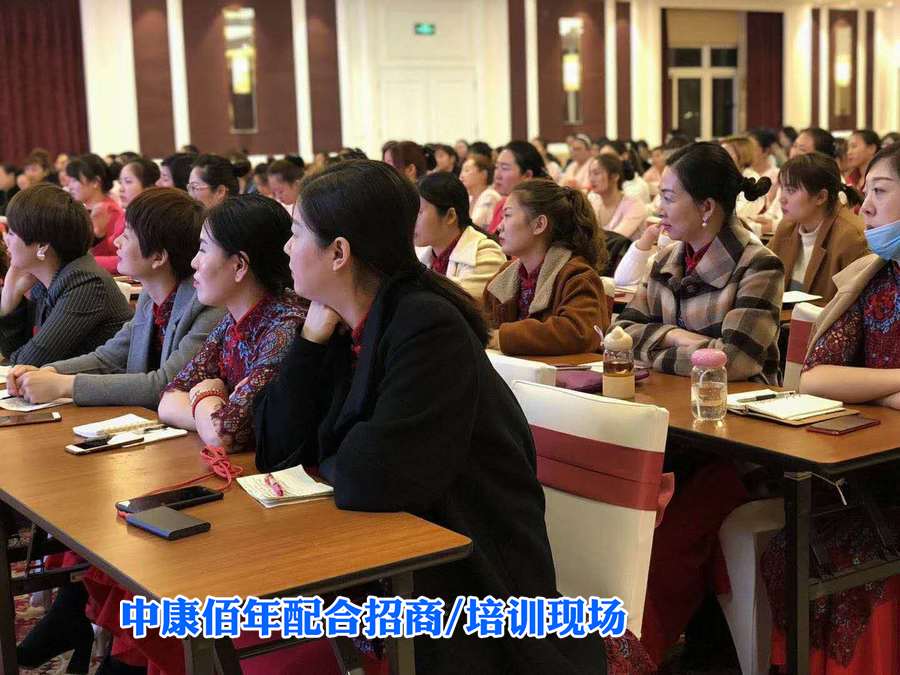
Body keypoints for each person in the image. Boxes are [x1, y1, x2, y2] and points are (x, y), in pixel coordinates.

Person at [253, 158, 651, 675]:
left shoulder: (425, 325)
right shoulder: (341, 322)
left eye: (295, 234)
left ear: (339, 253)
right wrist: (310, 341)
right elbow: (276, 448)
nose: (286, 249)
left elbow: (370, 477)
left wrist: (323, 460)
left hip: (469, 580)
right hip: (399, 559)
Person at [761, 141, 900, 675]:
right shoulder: (876, 277)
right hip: (874, 471)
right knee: (795, 549)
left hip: (883, 473)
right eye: (866, 192)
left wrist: (866, 387)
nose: (865, 206)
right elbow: (817, 377)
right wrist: (892, 387)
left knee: (845, 557)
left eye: (880, 192)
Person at [5, 188, 224, 409]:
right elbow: (108, 358)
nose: (116, 241)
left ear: (158, 257)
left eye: (126, 235)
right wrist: (49, 372)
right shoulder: (150, 298)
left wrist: (64, 384)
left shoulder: (206, 306)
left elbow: (166, 383)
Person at [614, 142, 783, 384]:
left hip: (731, 400)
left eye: (668, 198)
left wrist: (650, 348)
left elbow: (734, 362)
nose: (659, 209)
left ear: (706, 207)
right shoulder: (664, 260)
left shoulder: (759, 266)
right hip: (668, 393)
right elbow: (618, 336)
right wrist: (674, 335)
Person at [155, 195, 306, 453]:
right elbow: (168, 400)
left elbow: (224, 435)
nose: (194, 262)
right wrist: (213, 414)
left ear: (239, 265)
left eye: (203, 249)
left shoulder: (285, 325)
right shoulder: (233, 320)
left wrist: (205, 395)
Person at [0, 184, 132, 366]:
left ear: (42, 246)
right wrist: (10, 294)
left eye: (12, 233)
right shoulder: (46, 279)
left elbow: (29, 361)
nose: (6, 240)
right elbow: (13, 351)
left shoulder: (86, 283)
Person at [483, 179, 609, 355]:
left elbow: (577, 332)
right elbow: (482, 324)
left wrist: (500, 338)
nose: (498, 227)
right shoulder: (504, 275)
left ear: (539, 224)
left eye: (508, 215)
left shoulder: (577, 276)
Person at [768, 152, 869, 301]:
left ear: (821, 197)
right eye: (782, 188)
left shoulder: (852, 237)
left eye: (791, 190)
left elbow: (855, 304)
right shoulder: (787, 227)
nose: (782, 198)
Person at [415, 172, 505, 300]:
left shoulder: (486, 254)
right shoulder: (422, 254)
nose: (411, 219)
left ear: (450, 216)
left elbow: (453, 306)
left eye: (419, 212)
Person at [65, 153, 125, 272]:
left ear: (95, 182)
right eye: (69, 180)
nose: (69, 186)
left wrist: (99, 237)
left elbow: (120, 258)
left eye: (74, 180)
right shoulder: (78, 210)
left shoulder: (111, 212)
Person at [488, 140, 548, 233]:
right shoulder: (501, 205)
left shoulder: (535, 211)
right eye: (496, 167)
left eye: (505, 168)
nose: (497, 175)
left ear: (527, 175)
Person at [587, 155, 649, 240]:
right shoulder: (593, 200)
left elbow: (614, 240)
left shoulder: (634, 205)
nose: (591, 179)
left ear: (615, 176)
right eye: (589, 174)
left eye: (596, 173)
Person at [459, 153, 502, 228]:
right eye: (461, 171)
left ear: (483, 174)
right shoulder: (469, 197)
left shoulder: (490, 196)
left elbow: (477, 226)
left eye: (467, 170)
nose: (461, 176)